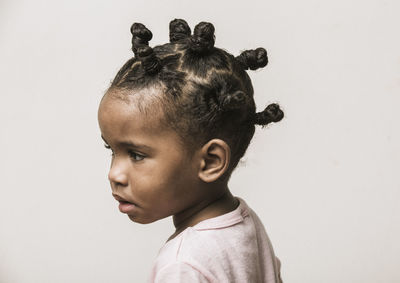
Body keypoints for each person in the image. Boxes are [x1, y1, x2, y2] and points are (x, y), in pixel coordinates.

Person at [97, 18, 284, 283]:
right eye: (111, 149)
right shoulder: (246, 225)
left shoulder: (183, 267)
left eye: (136, 155)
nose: (114, 174)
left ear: (210, 161)